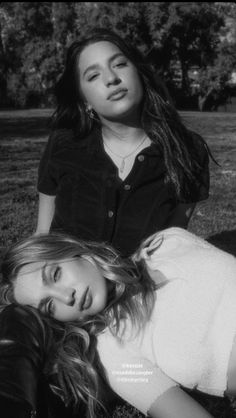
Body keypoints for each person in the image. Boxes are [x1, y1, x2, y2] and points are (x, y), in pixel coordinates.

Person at [2, 227, 236, 418]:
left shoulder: (166, 241)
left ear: (72, 250)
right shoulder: (114, 357)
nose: (66, 297)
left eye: (55, 274)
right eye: (50, 306)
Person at [36, 28, 211, 256]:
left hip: (142, 285)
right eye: (93, 75)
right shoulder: (62, 144)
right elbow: (42, 233)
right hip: (64, 285)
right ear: (84, 100)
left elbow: (173, 247)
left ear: (139, 73)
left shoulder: (187, 151)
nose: (111, 78)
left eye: (119, 64)